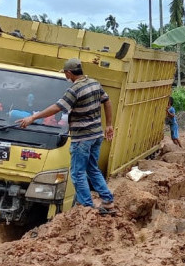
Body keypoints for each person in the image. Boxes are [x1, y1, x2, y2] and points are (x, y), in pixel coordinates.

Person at [17, 58, 116, 212]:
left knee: (77, 173)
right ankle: (108, 201)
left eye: (65, 74)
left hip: (82, 138)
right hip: (96, 135)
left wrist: (33, 117)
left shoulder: (74, 90)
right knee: (92, 169)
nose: (65, 76)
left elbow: (58, 107)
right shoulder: (95, 83)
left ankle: (86, 207)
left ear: (69, 73)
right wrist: (109, 124)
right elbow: (107, 101)